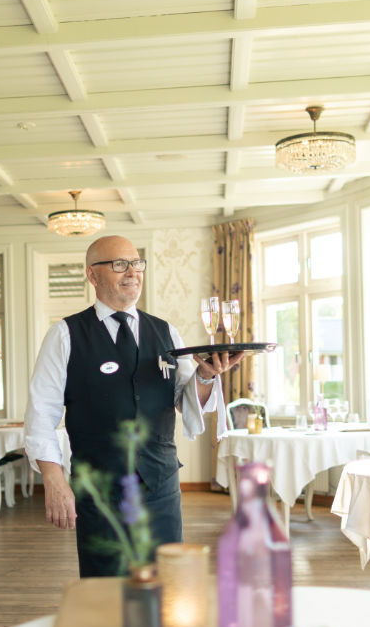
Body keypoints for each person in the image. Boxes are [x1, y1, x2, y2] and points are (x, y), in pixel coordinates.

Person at [25, 235, 243, 576]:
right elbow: (41, 416)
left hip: (161, 484)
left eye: (136, 263)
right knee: (105, 586)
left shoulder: (166, 332)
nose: (132, 272)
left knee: (167, 581)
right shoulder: (65, 335)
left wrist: (204, 376)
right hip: (99, 490)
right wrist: (54, 480)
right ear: (92, 275)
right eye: (119, 264)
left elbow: (188, 402)